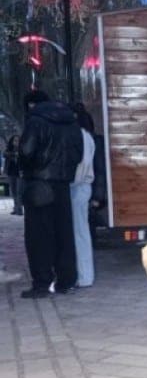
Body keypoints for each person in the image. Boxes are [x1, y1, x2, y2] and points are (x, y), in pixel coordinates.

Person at [18, 90, 82, 299]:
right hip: (63, 184)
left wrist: (26, 168)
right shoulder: (71, 122)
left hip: (39, 184)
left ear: (31, 105)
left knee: (39, 237)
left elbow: (26, 151)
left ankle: (42, 283)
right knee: (64, 234)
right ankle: (66, 280)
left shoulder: (35, 121)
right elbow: (78, 153)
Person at [71, 105, 96, 288]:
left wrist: (72, 182)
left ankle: (85, 275)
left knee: (79, 233)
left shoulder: (81, 137)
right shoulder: (87, 136)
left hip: (78, 186)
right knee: (80, 232)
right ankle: (84, 275)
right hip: (81, 186)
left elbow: (82, 165)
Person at [3, 135, 23, 215]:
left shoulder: (22, 149)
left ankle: (19, 210)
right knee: (13, 192)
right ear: (12, 141)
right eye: (15, 140)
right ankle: (16, 208)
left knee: (19, 192)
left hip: (20, 173)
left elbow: (24, 157)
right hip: (11, 173)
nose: (16, 142)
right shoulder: (9, 149)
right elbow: (5, 154)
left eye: (18, 140)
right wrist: (14, 154)